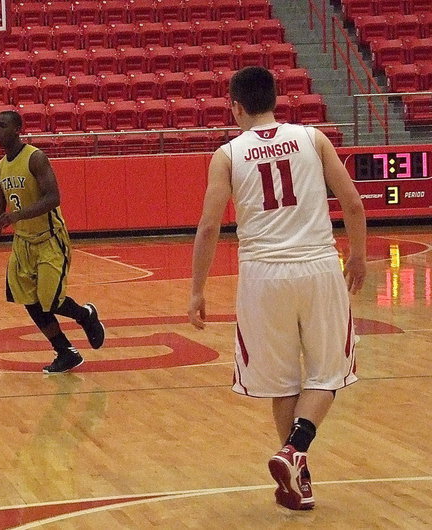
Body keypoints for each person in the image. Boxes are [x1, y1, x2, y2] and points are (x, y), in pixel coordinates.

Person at [188, 66, 367, 510]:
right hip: (318, 267)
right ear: (276, 100)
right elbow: (353, 202)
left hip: (262, 275)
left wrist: (197, 290)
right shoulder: (313, 138)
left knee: (284, 382)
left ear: (236, 106)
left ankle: (297, 478)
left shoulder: (227, 154)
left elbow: (209, 225)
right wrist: (359, 255)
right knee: (328, 373)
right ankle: (294, 452)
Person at [0, 111, 106, 373]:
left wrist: (17, 215)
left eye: (2, 126)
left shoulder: (35, 158)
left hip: (50, 239)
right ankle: (65, 351)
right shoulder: (0, 168)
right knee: (29, 300)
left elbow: (53, 197)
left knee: (51, 300)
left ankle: (86, 315)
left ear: (17, 129)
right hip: (23, 243)